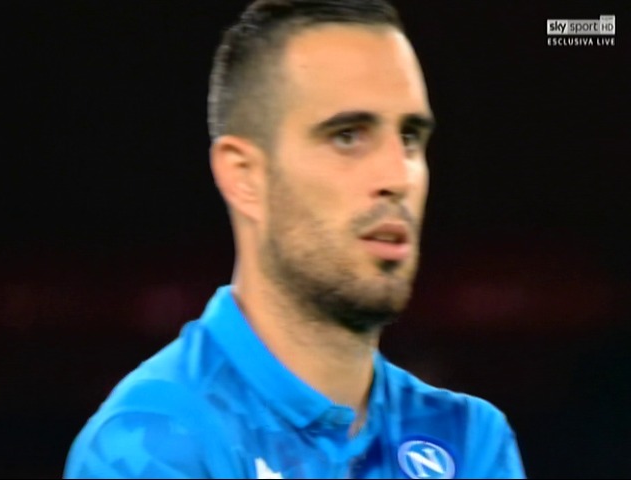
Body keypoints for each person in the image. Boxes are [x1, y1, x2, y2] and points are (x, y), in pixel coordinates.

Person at [64, 0, 526, 478]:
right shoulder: (152, 440)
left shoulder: (469, 437)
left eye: (409, 137)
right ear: (245, 176)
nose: (398, 176)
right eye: (348, 136)